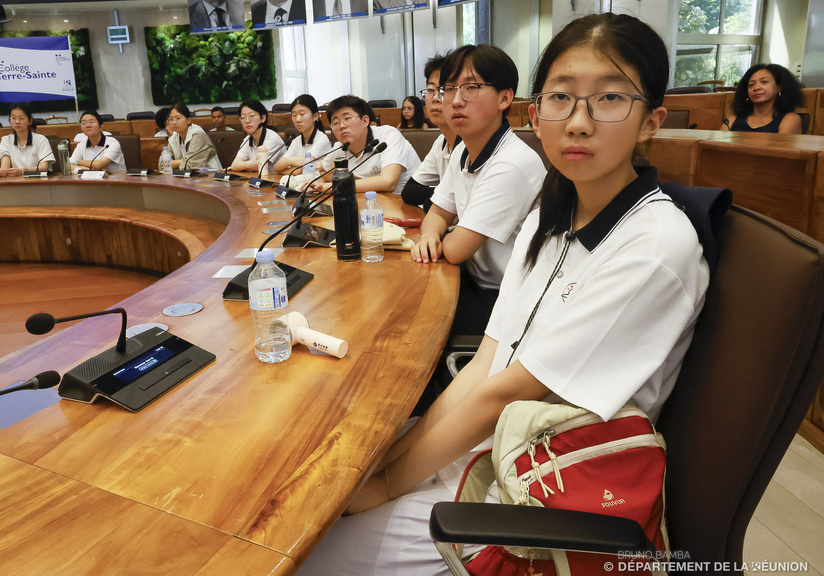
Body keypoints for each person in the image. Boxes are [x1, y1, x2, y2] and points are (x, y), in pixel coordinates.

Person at [295, 13, 709, 576]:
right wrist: (388, 465)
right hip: (495, 440)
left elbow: (506, 391)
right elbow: (488, 360)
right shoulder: (552, 213)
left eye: (610, 99)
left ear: (650, 120)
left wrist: (386, 483)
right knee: (325, 472)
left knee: (305, 554)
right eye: (562, 98)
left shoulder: (655, 244)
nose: (579, 123)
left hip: (540, 483)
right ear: (537, 115)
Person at [411, 44, 547, 337]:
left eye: (471, 87)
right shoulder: (463, 150)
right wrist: (429, 235)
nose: (456, 100)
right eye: (449, 89)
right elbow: (436, 212)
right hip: (474, 281)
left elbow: (457, 250)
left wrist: (438, 236)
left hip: (509, 300)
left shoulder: (512, 163)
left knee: (411, 325)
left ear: (505, 97)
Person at [307, 95, 421, 195]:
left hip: (409, 204)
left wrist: (333, 186)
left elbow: (389, 182)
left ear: (365, 121)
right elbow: (322, 172)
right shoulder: (339, 148)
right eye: (335, 122)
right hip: (373, 203)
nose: (341, 125)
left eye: (347, 118)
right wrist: (352, 180)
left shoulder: (388, 135)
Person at [401, 53, 461, 212]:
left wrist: (437, 197)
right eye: (429, 90)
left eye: (443, 89)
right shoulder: (441, 141)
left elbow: (434, 204)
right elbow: (409, 192)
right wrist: (442, 194)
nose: (434, 98)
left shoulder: (470, 145)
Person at [721, 64, 803, 134]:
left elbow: (777, 151)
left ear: (779, 88)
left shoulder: (790, 119)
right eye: (751, 85)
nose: (756, 88)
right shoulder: (732, 120)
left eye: (764, 82)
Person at [273, 94, 332, 175]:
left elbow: (300, 170)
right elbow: (277, 167)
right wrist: (291, 161)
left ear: (315, 116)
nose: (297, 119)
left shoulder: (322, 139)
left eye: (302, 114)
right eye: (294, 115)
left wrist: (287, 166)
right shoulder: (296, 141)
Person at [0, 105, 54, 177]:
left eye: (21, 118)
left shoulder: (41, 139)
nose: (17, 122)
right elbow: (5, 166)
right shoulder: (6, 140)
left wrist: (23, 171)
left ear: (30, 121)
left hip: (39, 180)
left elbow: (43, 167)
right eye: (13, 118)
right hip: (18, 182)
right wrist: (2, 171)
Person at [228, 100, 286, 173]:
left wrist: (243, 166)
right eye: (243, 117)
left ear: (263, 118)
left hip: (276, 181)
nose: (247, 121)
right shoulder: (248, 139)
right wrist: (249, 165)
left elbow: (259, 165)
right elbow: (234, 165)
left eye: (251, 116)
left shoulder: (273, 139)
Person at [166, 103, 222, 172]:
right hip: (185, 177)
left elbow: (191, 165)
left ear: (188, 120)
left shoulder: (198, 135)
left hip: (210, 176)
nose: (174, 122)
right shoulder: (174, 138)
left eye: (178, 118)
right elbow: (162, 164)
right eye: (171, 119)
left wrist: (172, 163)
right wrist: (183, 161)